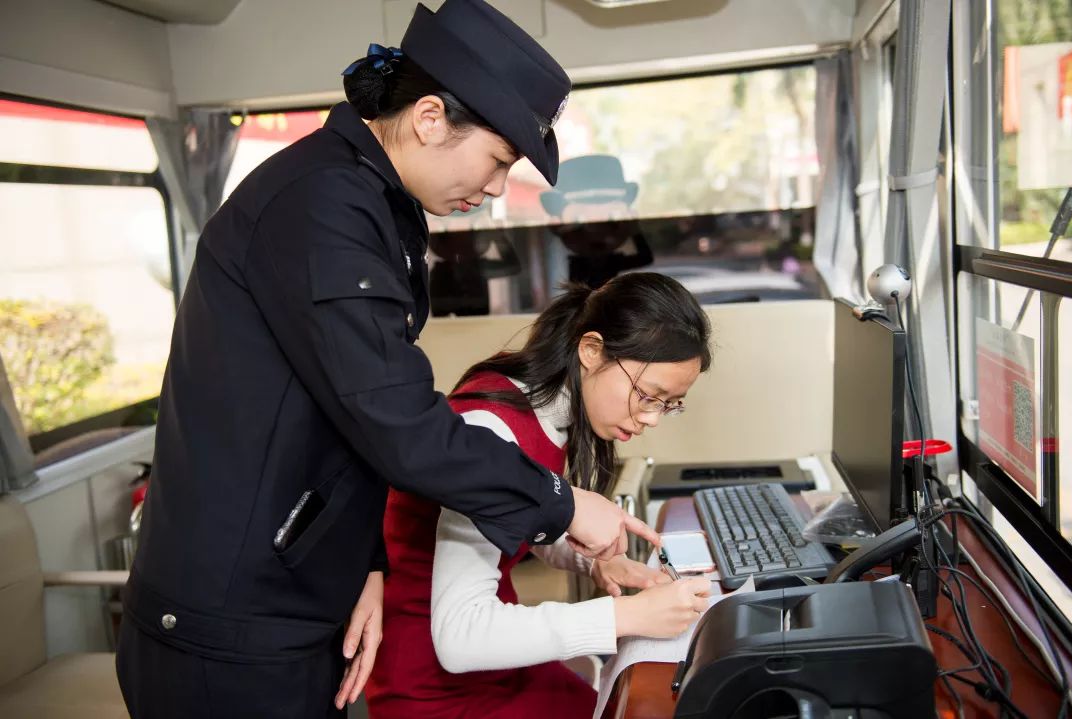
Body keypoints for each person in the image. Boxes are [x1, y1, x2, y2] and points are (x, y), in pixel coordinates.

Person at [115, 2, 659, 718]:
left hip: (294, 602)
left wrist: (367, 564)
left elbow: (347, 423)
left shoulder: (375, 203)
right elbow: (397, 419)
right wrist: (559, 505)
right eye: (498, 160)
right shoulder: (321, 205)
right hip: (231, 627)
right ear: (430, 117)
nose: (498, 187)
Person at [366, 272, 714, 718]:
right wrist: (624, 618)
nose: (652, 419)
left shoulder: (542, 402)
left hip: (497, 661)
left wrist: (593, 559)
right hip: (436, 684)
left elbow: (512, 526)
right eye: (648, 396)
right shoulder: (489, 428)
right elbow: (459, 638)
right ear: (591, 350)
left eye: (669, 404)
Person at [541, 154, 654, 289]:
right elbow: (645, 258)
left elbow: (645, 258)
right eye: (579, 221)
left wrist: (634, 230)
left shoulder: (609, 261)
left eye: (611, 218)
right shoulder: (574, 262)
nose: (596, 231)